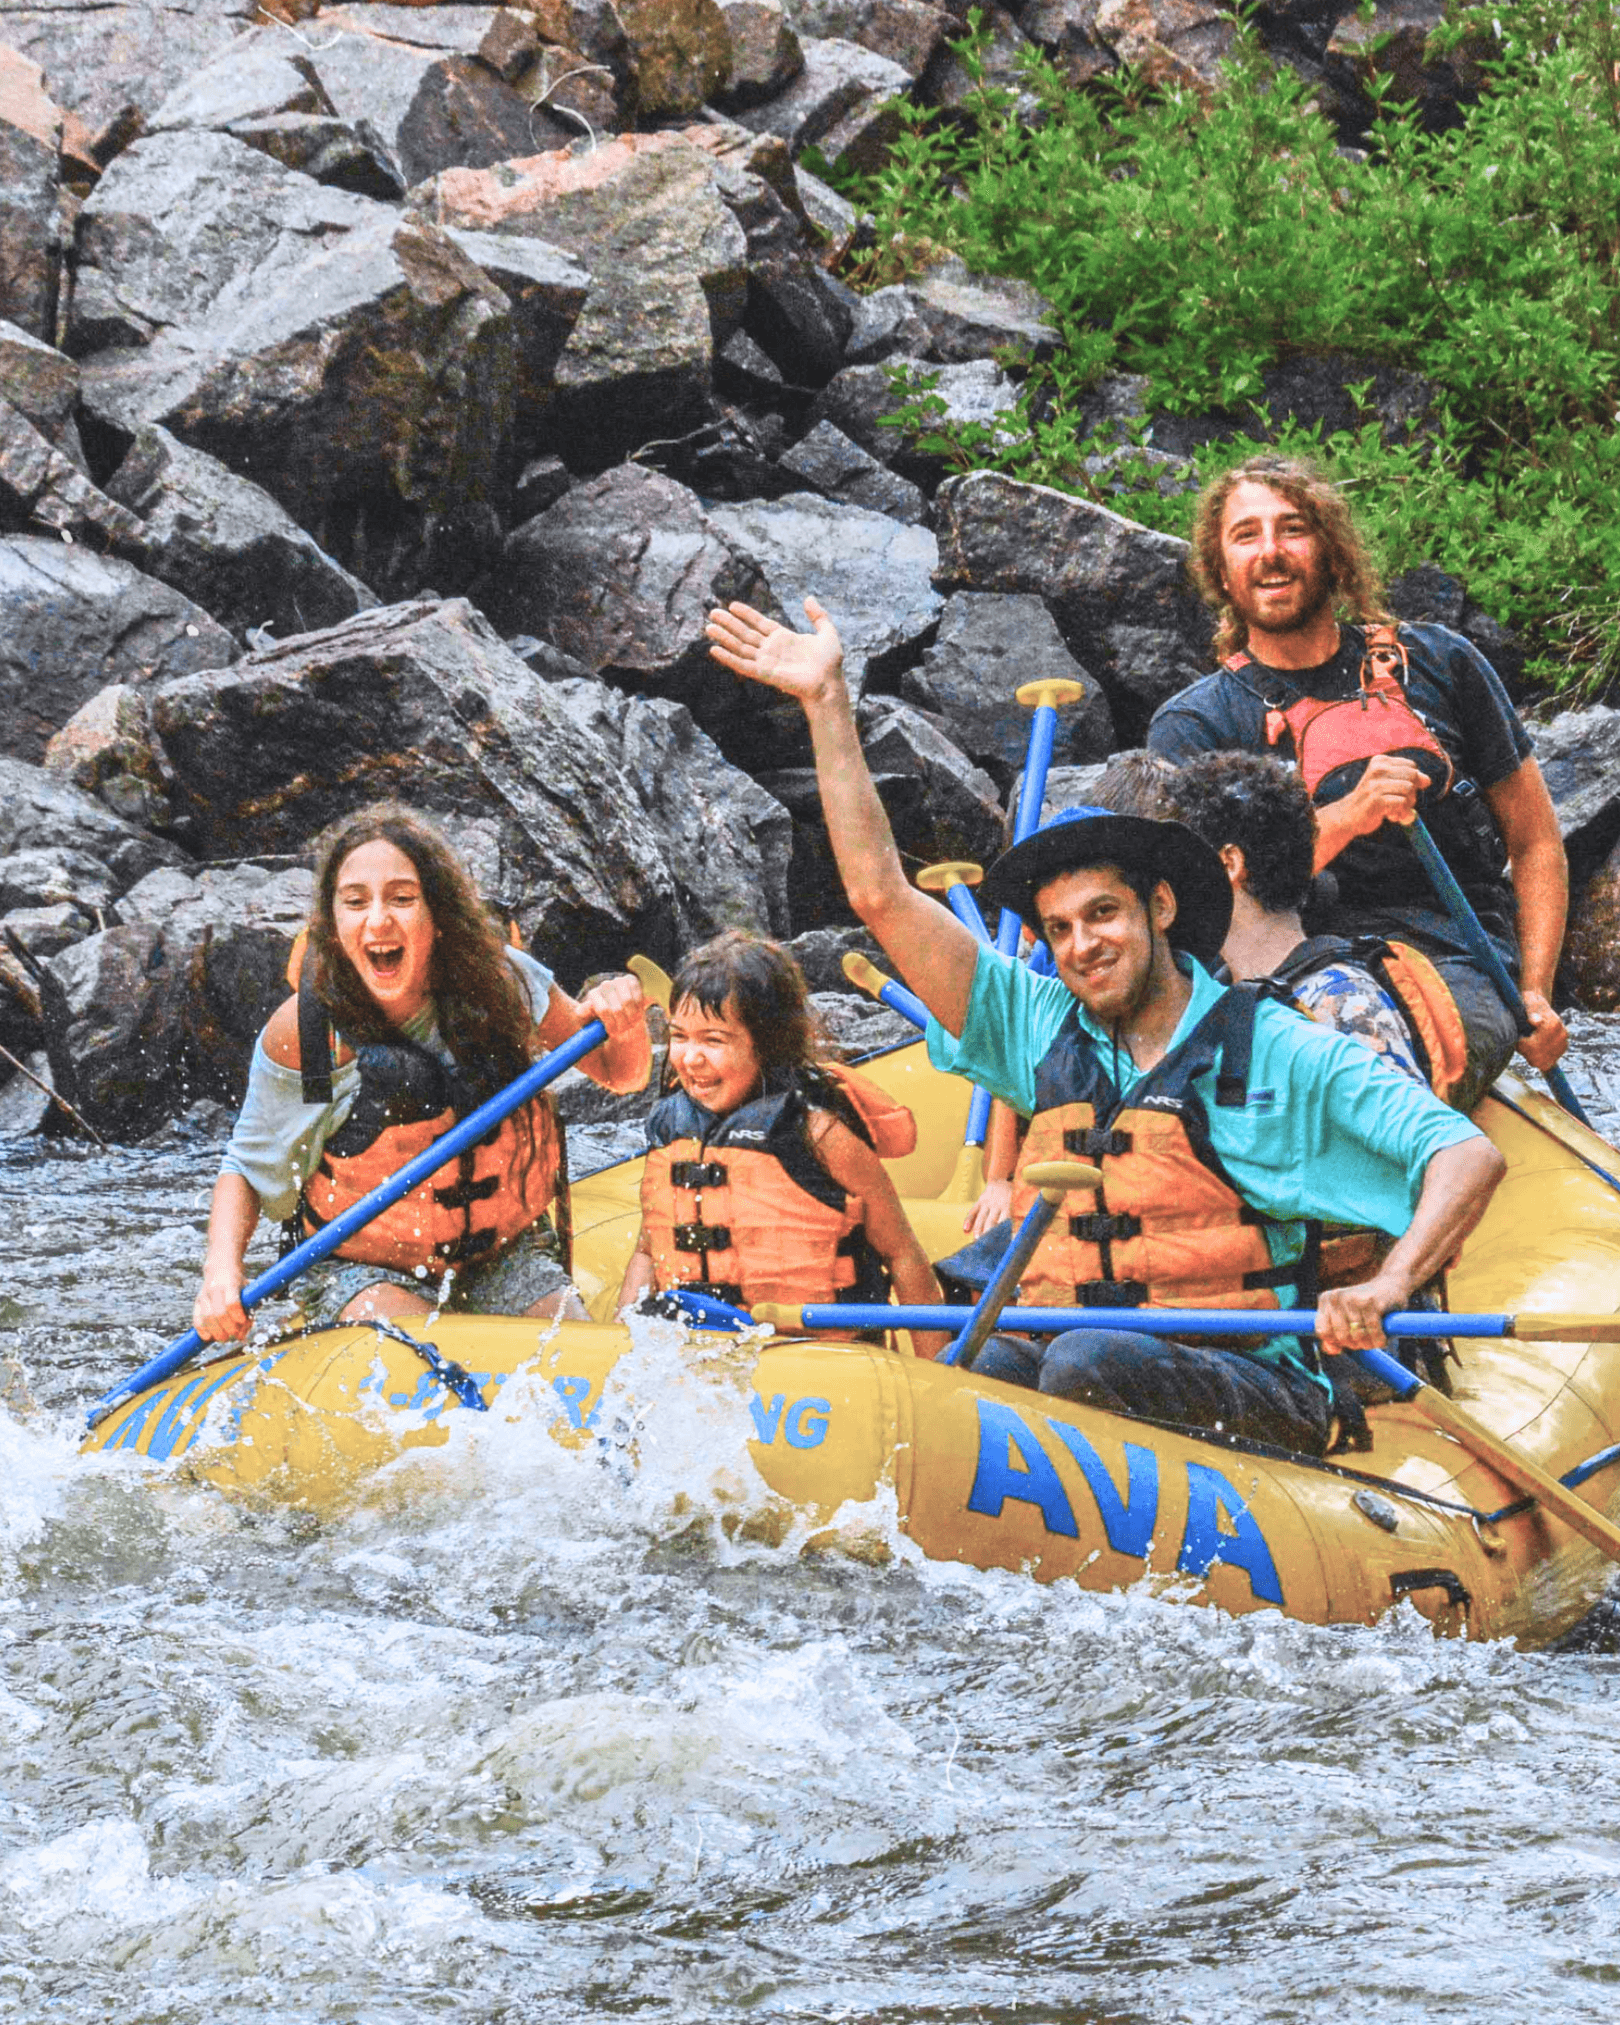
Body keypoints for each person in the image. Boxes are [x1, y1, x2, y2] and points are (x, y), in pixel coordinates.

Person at [705, 594, 1505, 1456]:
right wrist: (827, 704)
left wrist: (1385, 1288)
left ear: (1160, 907)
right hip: (1085, 1364)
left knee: (1080, 1359)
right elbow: (879, 894)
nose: (1083, 946)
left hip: (1249, 1379)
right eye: (1060, 929)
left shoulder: (1271, 1045)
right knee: (991, 1365)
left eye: (1104, 914)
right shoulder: (1041, 1022)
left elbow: (1467, 1155)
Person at [1146, 454, 1570, 1114]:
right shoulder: (1197, 723)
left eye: (1292, 528)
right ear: (1221, 574)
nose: (1271, 552)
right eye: (1246, 534)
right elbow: (1200, 911)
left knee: (1374, 1074)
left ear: (1334, 552)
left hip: (1454, 963)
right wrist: (1345, 817)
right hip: (1286, 972)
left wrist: (1535, 991)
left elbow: (1536, 838)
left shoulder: (1443, 663)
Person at [192, 803, 651, 1342]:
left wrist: (626, 1025)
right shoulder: (310, 1033)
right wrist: (221, 1273)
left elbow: (623, 1076)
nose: (378, 921)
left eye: (403, 899)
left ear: (437, 915)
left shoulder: (504, 983)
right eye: (355, 902)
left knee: (573, 1358)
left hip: (500, 1252)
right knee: (429, 1361)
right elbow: (246, 1166)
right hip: (360, 1265)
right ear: (334, 922)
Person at [617, 931, 949, 1357]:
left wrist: (934, 1374)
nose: (690, 1058)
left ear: (768, 1043)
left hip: (816, 1362)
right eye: (680, 1036)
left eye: (713, 1040)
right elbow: (648, 1250)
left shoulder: (817, 1132)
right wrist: (618, 1346)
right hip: (701, 1352)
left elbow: (903, 1254)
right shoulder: (670, 1128)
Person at [1164, 749, 1467, 1097]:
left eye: (1175, 862)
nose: (1162, 889)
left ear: (1228, 864)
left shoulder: (1340, 1002)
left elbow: (1419, 1145)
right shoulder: (1217, 997)